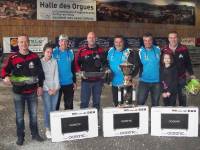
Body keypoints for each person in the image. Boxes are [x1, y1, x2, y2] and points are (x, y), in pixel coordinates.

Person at [1, 35, 45, 145]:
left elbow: (40, 73)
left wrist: (40, 86)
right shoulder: (13, 58)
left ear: (28, 43)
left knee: (33, 115)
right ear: (18, 44)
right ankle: (21, 137)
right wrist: (5, 77)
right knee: (19, 117)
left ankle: (35, 134)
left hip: (32, 92)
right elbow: (4, 70)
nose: (23, 44)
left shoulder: (35, 56)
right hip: (18, 93)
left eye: (25, 42)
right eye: (21, 42)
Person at [75, 32, 107, 110]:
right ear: (87, 39)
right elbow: (76, 63)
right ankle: (84, 121)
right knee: (84, 103)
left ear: (95, 38)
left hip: (98, 81)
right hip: (86, 81)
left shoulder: (101, 50)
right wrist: (79, 71)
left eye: (93, 37)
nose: (91, 39)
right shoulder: (81, 50)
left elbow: (105, 63)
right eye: (90, 37)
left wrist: (105, 70)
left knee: (96, 103)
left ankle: (95, 121)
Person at [162, 31, 195, 106]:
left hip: (181, 79)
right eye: (171, 37)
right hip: (169, 80)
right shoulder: (164, 49)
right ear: (168, 39)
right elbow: (162, 64)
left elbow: (188, 63)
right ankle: (170, 115)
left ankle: (182, 115)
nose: (173, 39)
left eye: (175, 37)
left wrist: (192, 74)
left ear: (177, 38)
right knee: (170, 100)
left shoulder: (184, 48)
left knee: (183, 98)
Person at [107, 35, 139, 106]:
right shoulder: (110, 51)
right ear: (114, 43)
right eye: (116, 42)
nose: (118, 44)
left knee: (127, 105)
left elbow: (136, 66)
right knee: (117, 104)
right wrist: (108, 71)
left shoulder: (129, 52)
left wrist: (131, 75)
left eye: (120, 42)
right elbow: (106, 64)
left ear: (123, 42)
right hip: (115, 84)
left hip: (126, 84)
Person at [41, 42, 60, 139]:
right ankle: (47, 128)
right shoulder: (40, 62)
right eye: (47, 52)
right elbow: (41, 78)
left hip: (55, 89)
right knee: (47, 109)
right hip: (46, 90)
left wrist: (56, 88)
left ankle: (54, 127)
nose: (49, 54)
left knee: (53, 109)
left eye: (51, 52)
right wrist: (48, 90)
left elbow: (56, 75)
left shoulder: (54, 61)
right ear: (44, 52)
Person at [52, 34, 76, 110]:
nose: (64, 43)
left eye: (66, 41)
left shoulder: (71, 53)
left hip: (68, 83)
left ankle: (68, 121)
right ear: (59, 42)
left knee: (69, 106)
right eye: (62, 41)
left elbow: (73, 68)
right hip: (57, 84)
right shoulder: (54, 52)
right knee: (55, 106)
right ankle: (55, 122)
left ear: (68, 43)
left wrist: (74, 81)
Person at [137, 32, 161, 106]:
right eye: (145, 40)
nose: (147, 42)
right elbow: (136, 65)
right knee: (140, 102)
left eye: (149, 40)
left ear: (152, 40)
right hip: (144, 81)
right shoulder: (139, 51)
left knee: (155, 103)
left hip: (157, 81)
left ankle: (154, 117)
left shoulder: (158, 49)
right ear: (143, 41)